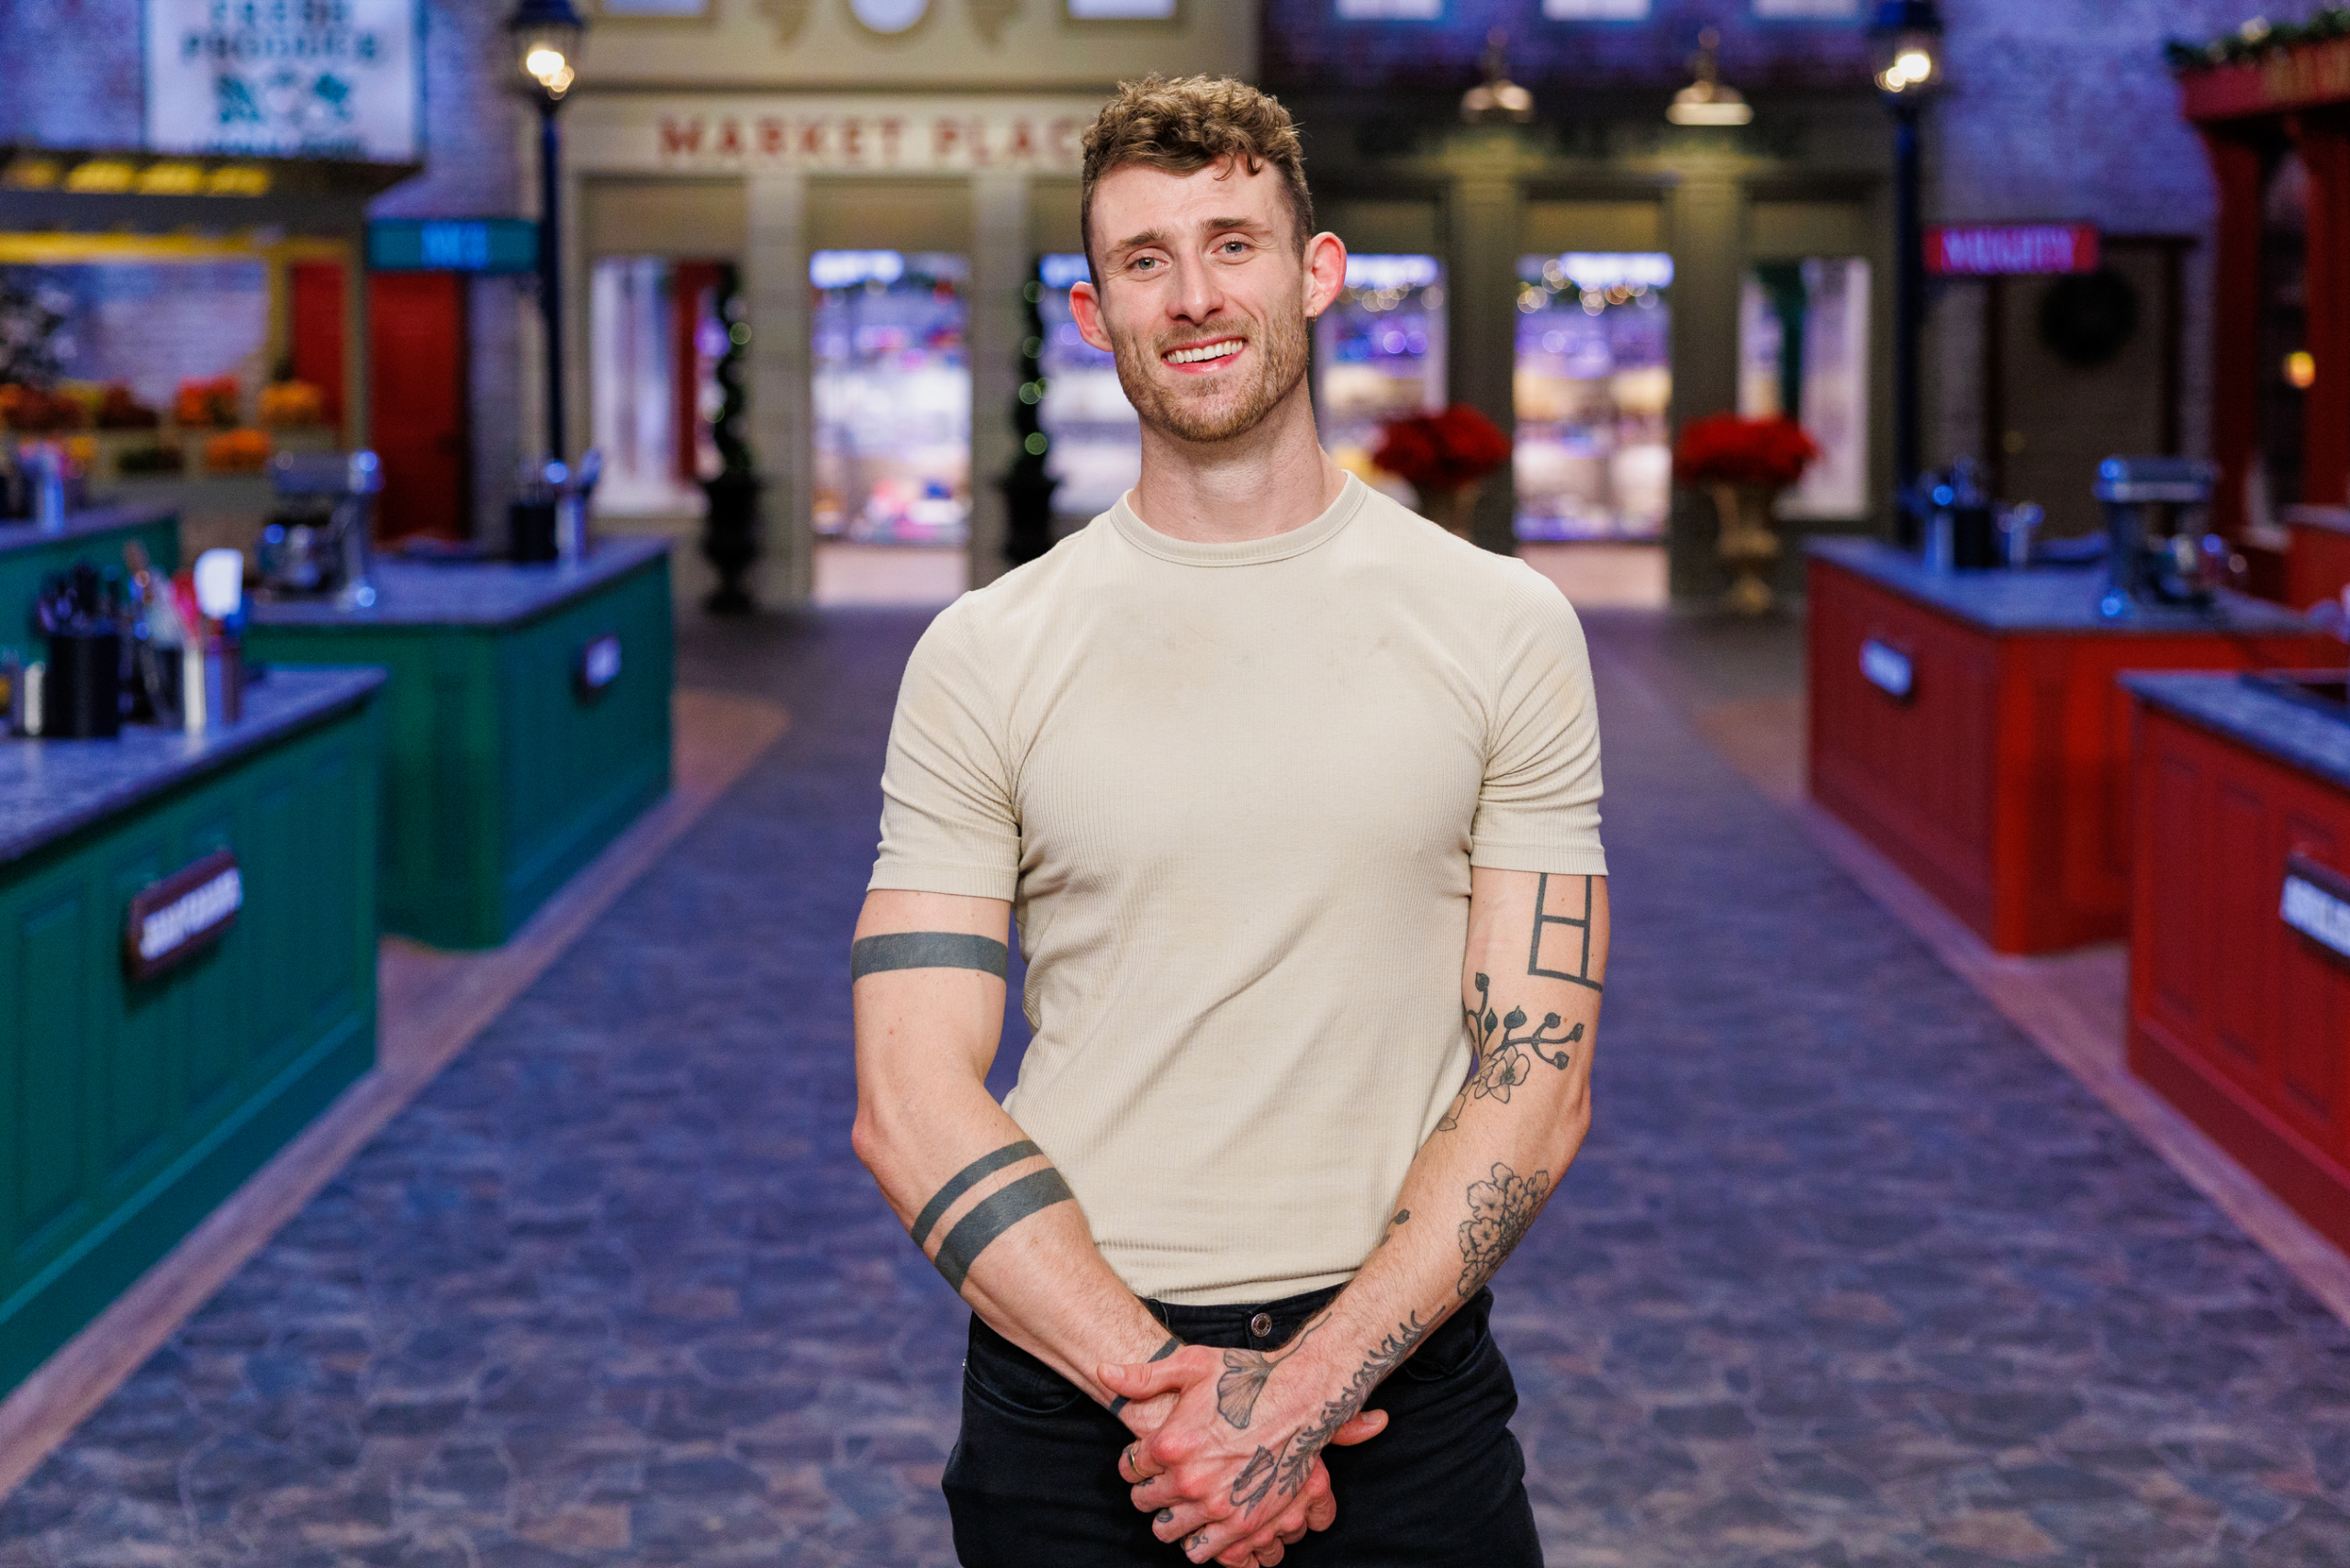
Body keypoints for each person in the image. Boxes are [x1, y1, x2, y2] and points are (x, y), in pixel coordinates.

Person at [850, 74, 1609, 1568]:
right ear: (1093, 312)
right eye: (1145, 260)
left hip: (1400, 1384)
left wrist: (1305, 1395)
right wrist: (1174, 1402)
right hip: (1073, 1391)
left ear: (1316, 273)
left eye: (1233, 244)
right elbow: (908, 1097)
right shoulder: (986, 652)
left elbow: (1541, 1077)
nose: (1193, 296)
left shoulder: (1504, 625)